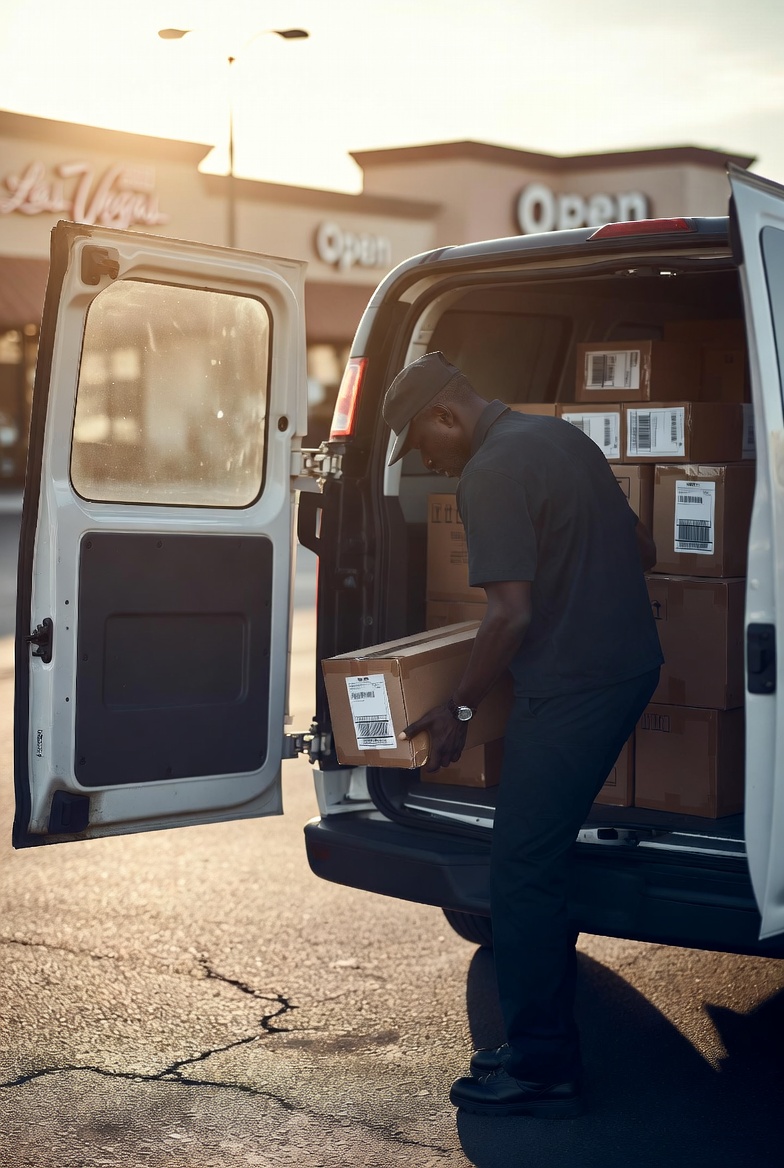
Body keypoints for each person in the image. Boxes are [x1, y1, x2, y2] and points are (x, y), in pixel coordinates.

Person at [383, 351, 663, 1119]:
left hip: (575, 688)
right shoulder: (561, 439)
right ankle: (540, 1043)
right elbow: (643, 550)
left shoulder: (490, 472)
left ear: (446, 414)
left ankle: (543, 1068)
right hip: (630, 667)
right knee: (541, 852)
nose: (429, 461)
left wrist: (459, 707)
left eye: (423, 442)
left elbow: (510, 614)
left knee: (523, 868)